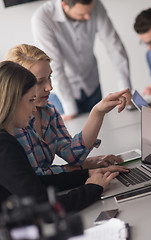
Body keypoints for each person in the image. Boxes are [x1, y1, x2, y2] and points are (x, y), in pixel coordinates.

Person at [0, 61, 129, 212]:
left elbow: (36, 183)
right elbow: (44, 208)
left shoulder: (5, 141)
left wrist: (87, 174)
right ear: (13, 99)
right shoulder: (4, 146)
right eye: (30, 100)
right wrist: (93, 187)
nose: (34, 107)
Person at [5, 44, 129, 175]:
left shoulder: (48, 111)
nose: (49, 87)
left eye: (49, 77)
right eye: (40, 81)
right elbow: (35, 176)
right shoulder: (11, 125)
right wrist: (83, 167)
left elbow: (73, 155)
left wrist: (98, 113)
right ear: (18, 85)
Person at [31, 0, 131, 121]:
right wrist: (70, 109)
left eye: (89, 12)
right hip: (61, 94)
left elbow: (115, 47)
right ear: (64, 5)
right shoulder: (42, 18)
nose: (88, 17)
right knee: (69, 135)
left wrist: (125, 89)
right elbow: (54, 65)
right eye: (81, 14)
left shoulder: (95, 5)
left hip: (91, 85)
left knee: (101, 133)